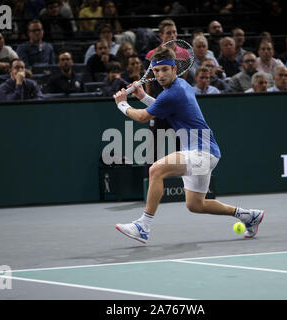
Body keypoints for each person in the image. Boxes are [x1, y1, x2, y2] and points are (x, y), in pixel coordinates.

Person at [112, 45, 264, 244]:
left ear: (174, 69)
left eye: (164, 69)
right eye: (156, 71)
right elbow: (163, 106)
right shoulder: (180, 87)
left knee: (156, 170)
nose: (159, 75)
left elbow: (141, 117)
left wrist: (122, 104)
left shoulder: (172, 93)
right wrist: (143, 97)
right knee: (195, 205)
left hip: (202, 152)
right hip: (206, 153)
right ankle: (248, 216)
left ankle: (143, 226)